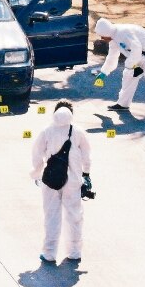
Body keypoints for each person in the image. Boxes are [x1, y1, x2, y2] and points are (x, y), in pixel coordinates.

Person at [30, 101, 91, 265]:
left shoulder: (46, 131)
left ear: (54, 114)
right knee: (74, 216)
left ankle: (49, 253)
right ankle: (75, 252)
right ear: (71, 115)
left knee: (51, 216)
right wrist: (86, 174)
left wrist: (37, 174)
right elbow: (86, 155)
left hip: (51, 181)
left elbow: (36, 155)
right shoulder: (78, 132)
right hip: (73, 182)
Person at [93, 17, 145, 123]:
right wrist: (104, 72)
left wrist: (130, 65)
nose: (101, 38)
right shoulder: (113, 38)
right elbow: (112, 56)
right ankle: (123, 104)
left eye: (102, 35)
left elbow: (137, 49)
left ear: (107, 32)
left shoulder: (124, 32)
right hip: (137, 58)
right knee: (128, 76)